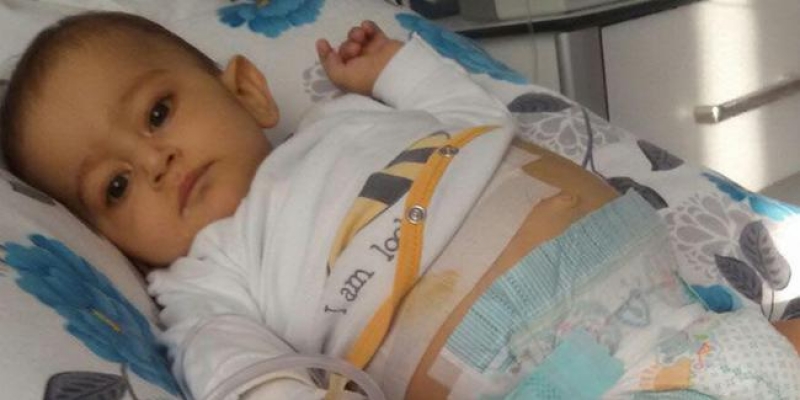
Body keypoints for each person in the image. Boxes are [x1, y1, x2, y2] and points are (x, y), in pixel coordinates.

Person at [2, 11, 800, 400]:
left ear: (247, 90)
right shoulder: (206, 280)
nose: (153, 161)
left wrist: (393, 69)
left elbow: (474, 120)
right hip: (545, 381)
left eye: (157, 112)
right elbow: (237, 371)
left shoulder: (350, 121)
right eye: (114, 187)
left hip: (684, 320)